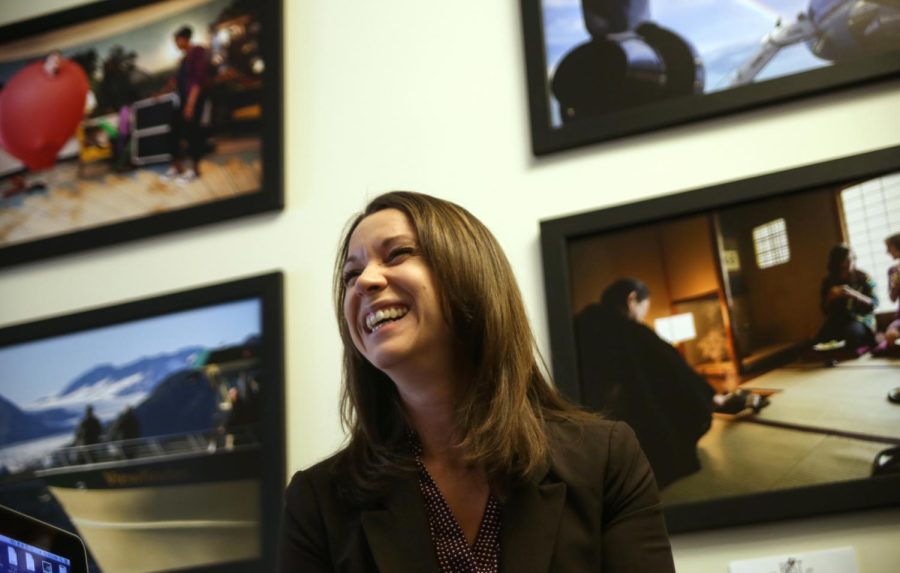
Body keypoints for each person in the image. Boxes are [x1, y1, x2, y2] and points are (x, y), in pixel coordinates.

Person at [278, 192, 675, 572]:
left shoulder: (607, 459)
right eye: (350, 274)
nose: (364, 281)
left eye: (397, 253)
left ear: (469, 275)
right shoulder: (318, 501)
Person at [574, 278, 716, 489]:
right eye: (643, 309)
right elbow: (676, 373)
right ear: (632, 300)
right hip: (634, 428)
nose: (642, 317)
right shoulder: (631, 332)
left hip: (584, 439)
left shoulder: (578, 324)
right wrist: (710, 396)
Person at [161, 25, 209, 184]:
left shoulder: (198, 52)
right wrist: (160, 93)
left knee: (193, 134)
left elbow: (197, 80)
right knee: (173, 131)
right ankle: (177, 166)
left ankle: (195, 170)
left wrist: (190, 104)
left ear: (183, 39)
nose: (176, 44)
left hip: (194, 100)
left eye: (176, 41)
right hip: (182, 100)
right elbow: (175, 81)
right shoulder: (183, 59)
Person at [815, 244, 878, 351]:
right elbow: (824, 310)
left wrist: (855, 295)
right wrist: (830, 297)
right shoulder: (829, 281)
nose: (850, 263)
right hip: (837, 320)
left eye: (852, 259)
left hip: (861, 319)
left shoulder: (863, 277)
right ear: (836, 262)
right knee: (819, 341)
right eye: (845, 260)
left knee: (851, 337)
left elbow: (874, 303)